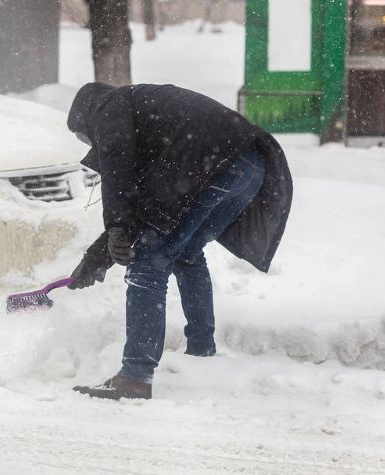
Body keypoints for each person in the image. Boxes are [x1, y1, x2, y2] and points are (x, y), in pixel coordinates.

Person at [67, 82, 292, 400]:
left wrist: (117, 228)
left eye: (84, 135)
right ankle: (201, 353)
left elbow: (118, 171)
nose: (90, 142)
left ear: (84, 115)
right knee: (185, 252)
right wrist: (97, 258)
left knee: (148, 261)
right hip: (250, 165)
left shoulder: (107, 106)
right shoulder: (141, 115)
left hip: (213, 163)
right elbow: (139, 204)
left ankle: (135, 376)